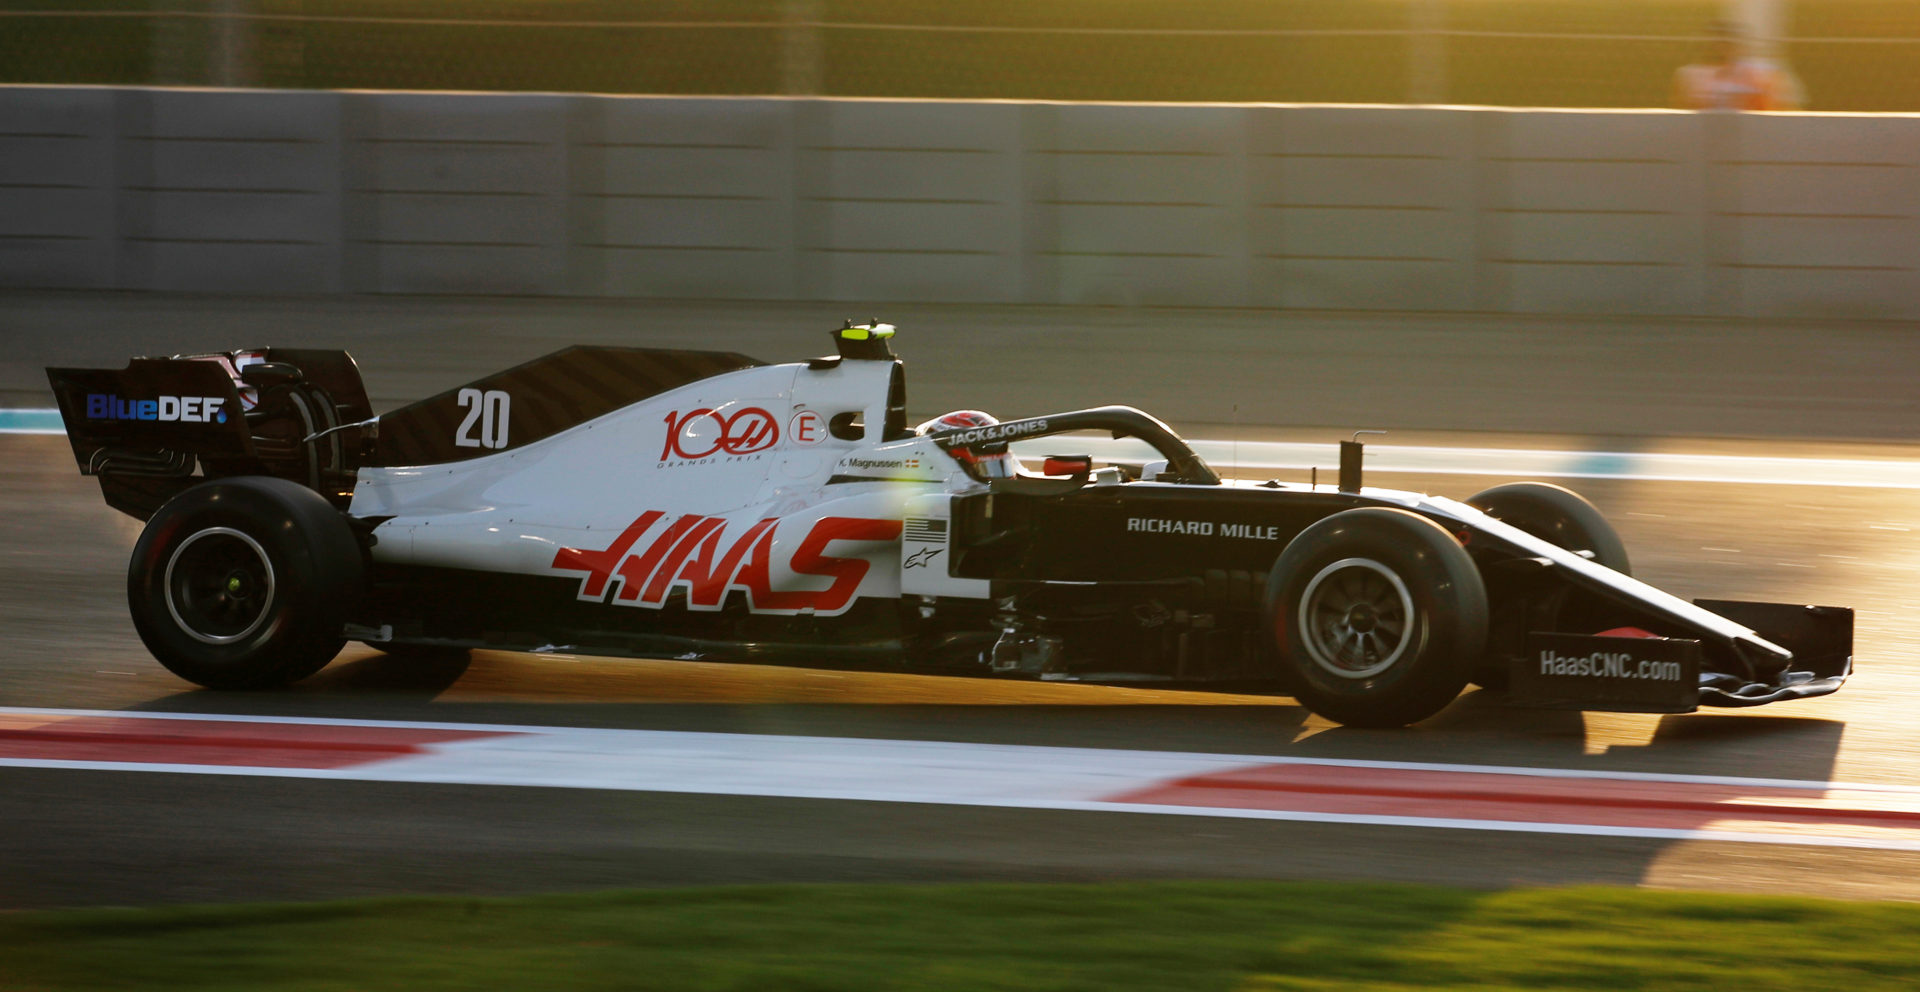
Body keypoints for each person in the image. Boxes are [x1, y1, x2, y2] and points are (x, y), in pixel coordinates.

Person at [1672, 19, 1804, 111]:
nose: (1719, 46)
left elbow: (1786, 109)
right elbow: (1681, 111)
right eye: (1716, 41)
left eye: (1726, 41)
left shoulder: (1765, 74)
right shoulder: (1690, 75)